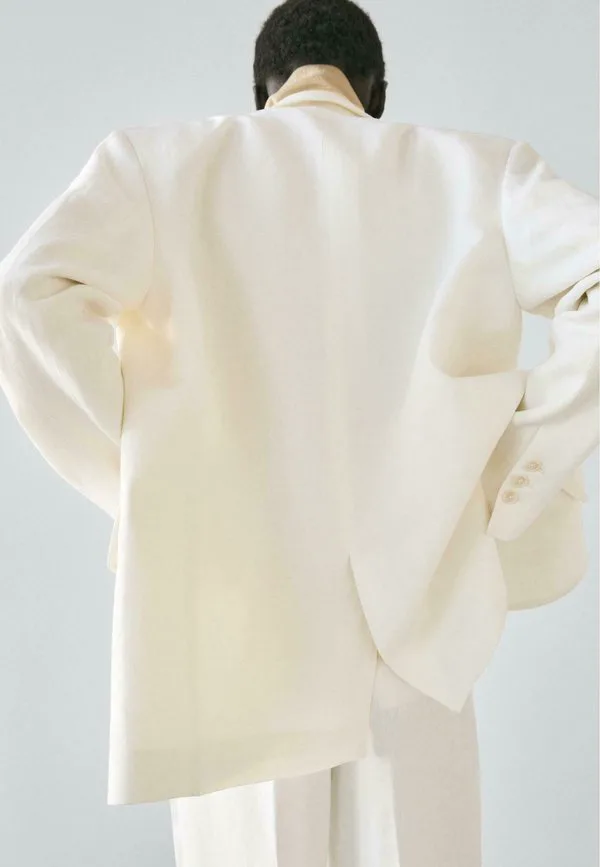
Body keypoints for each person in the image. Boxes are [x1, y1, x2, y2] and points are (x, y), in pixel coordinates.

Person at [0, 0, 597, 864]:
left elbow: (26, 296)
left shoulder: (157, 168)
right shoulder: (480, 173)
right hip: (416, 620)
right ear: (376, 92)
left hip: (234, 624)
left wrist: (147, 480)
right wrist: (519, 467)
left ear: (262, 90)